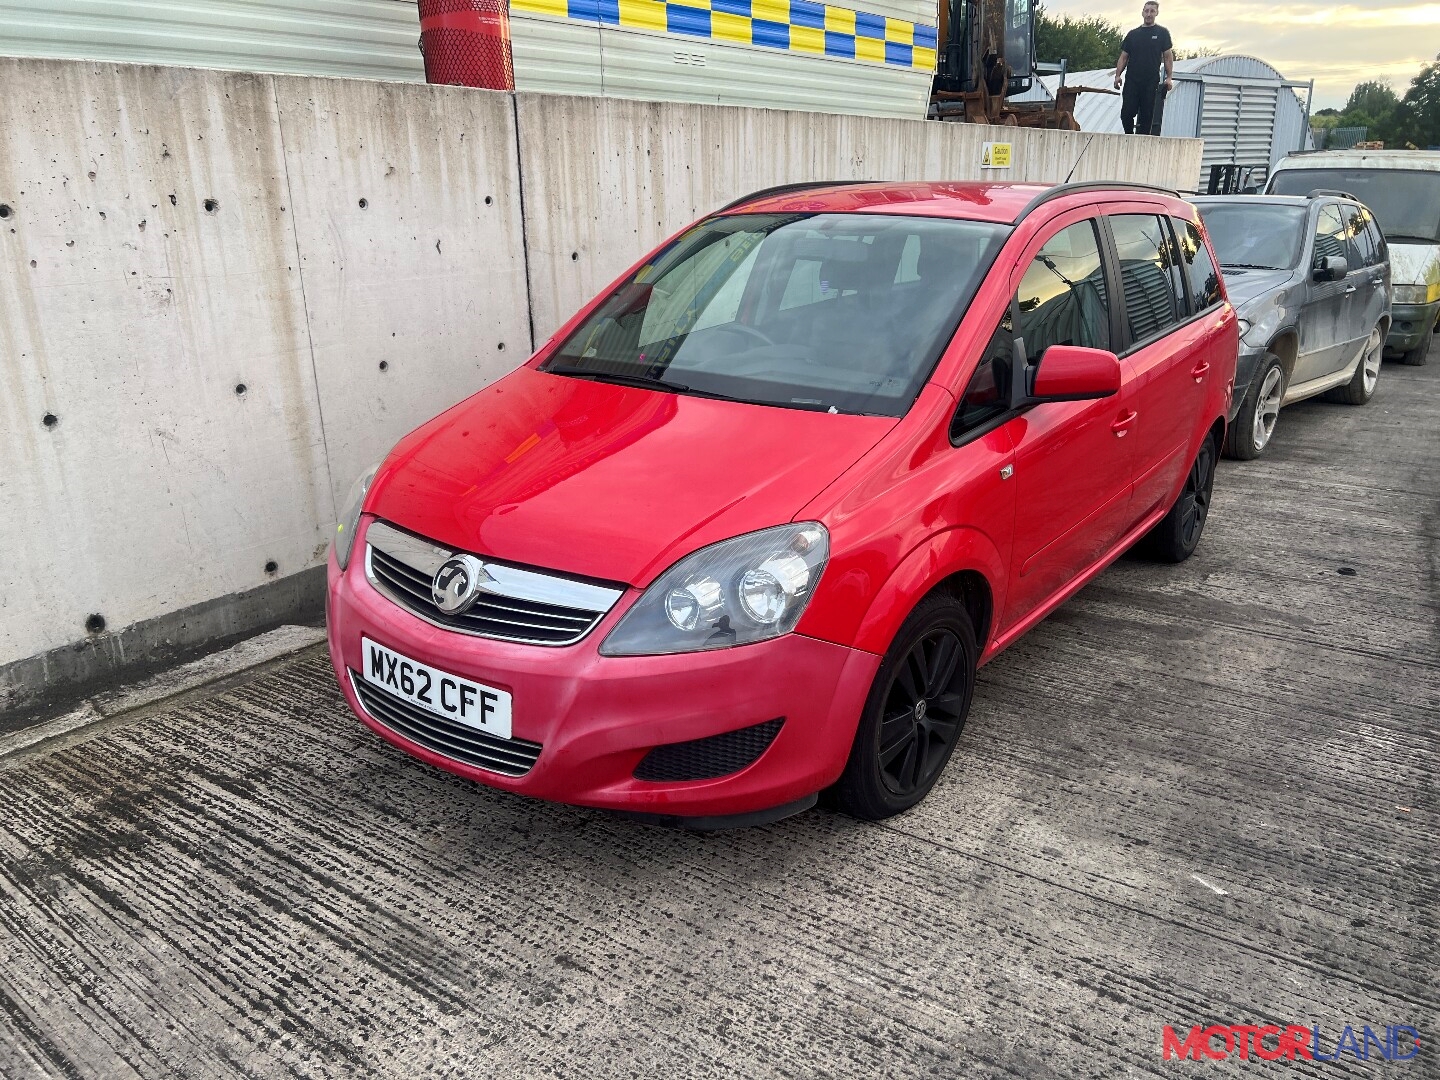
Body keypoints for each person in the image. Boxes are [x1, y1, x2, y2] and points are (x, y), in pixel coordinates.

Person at [1113, 2, 1175, 136]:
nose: (1149, 14)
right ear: (1142, 13)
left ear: (1156, 13)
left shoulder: (1162, 33)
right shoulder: (1133, 34)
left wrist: (1169, 78)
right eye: (1146, 11)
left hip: (1150, 81)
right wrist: (1118, 75)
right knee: (1126, 114)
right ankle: (1129, 136)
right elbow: (1124, 57)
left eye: (1152, 11)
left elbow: (1168, 57)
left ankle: (1143, 141)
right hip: (1132, 80)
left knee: (1147, 116)